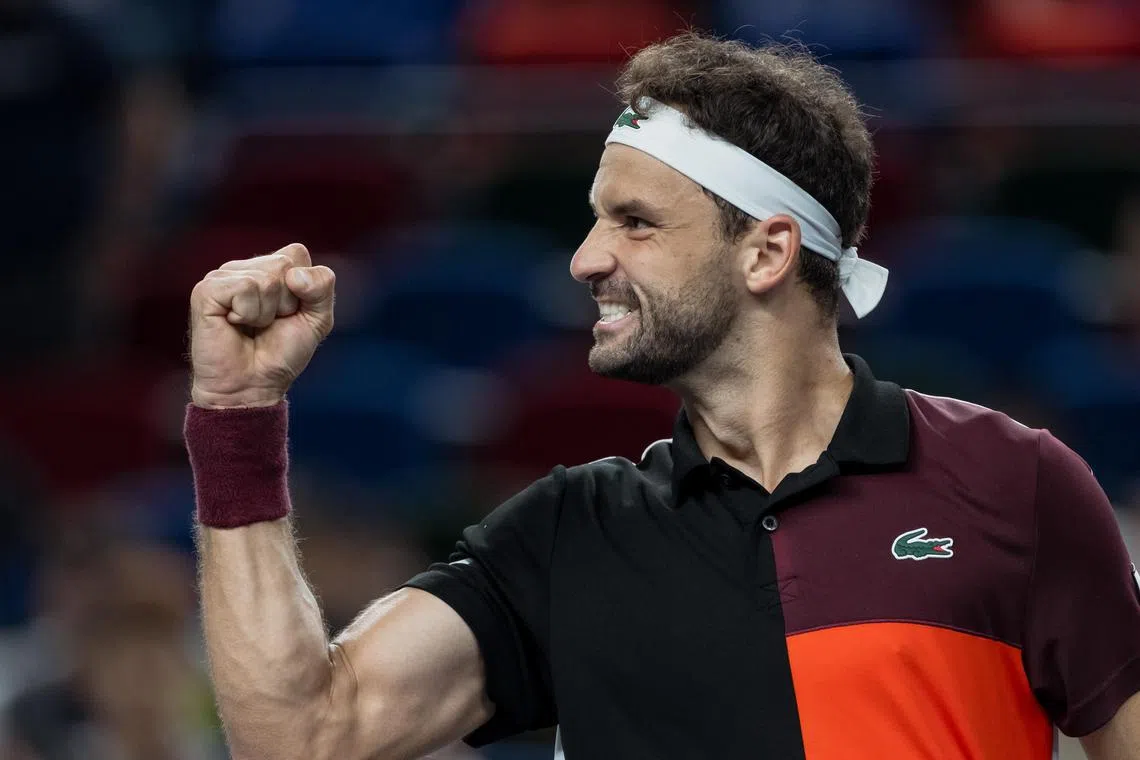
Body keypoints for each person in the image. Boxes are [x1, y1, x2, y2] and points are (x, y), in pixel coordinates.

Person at [184, 32, 1140, 760]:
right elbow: (303, 735)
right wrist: (233, 416)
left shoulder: (1015, 486)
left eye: (635, 223)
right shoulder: (567, 535)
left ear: (766, 252)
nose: (585, 259)